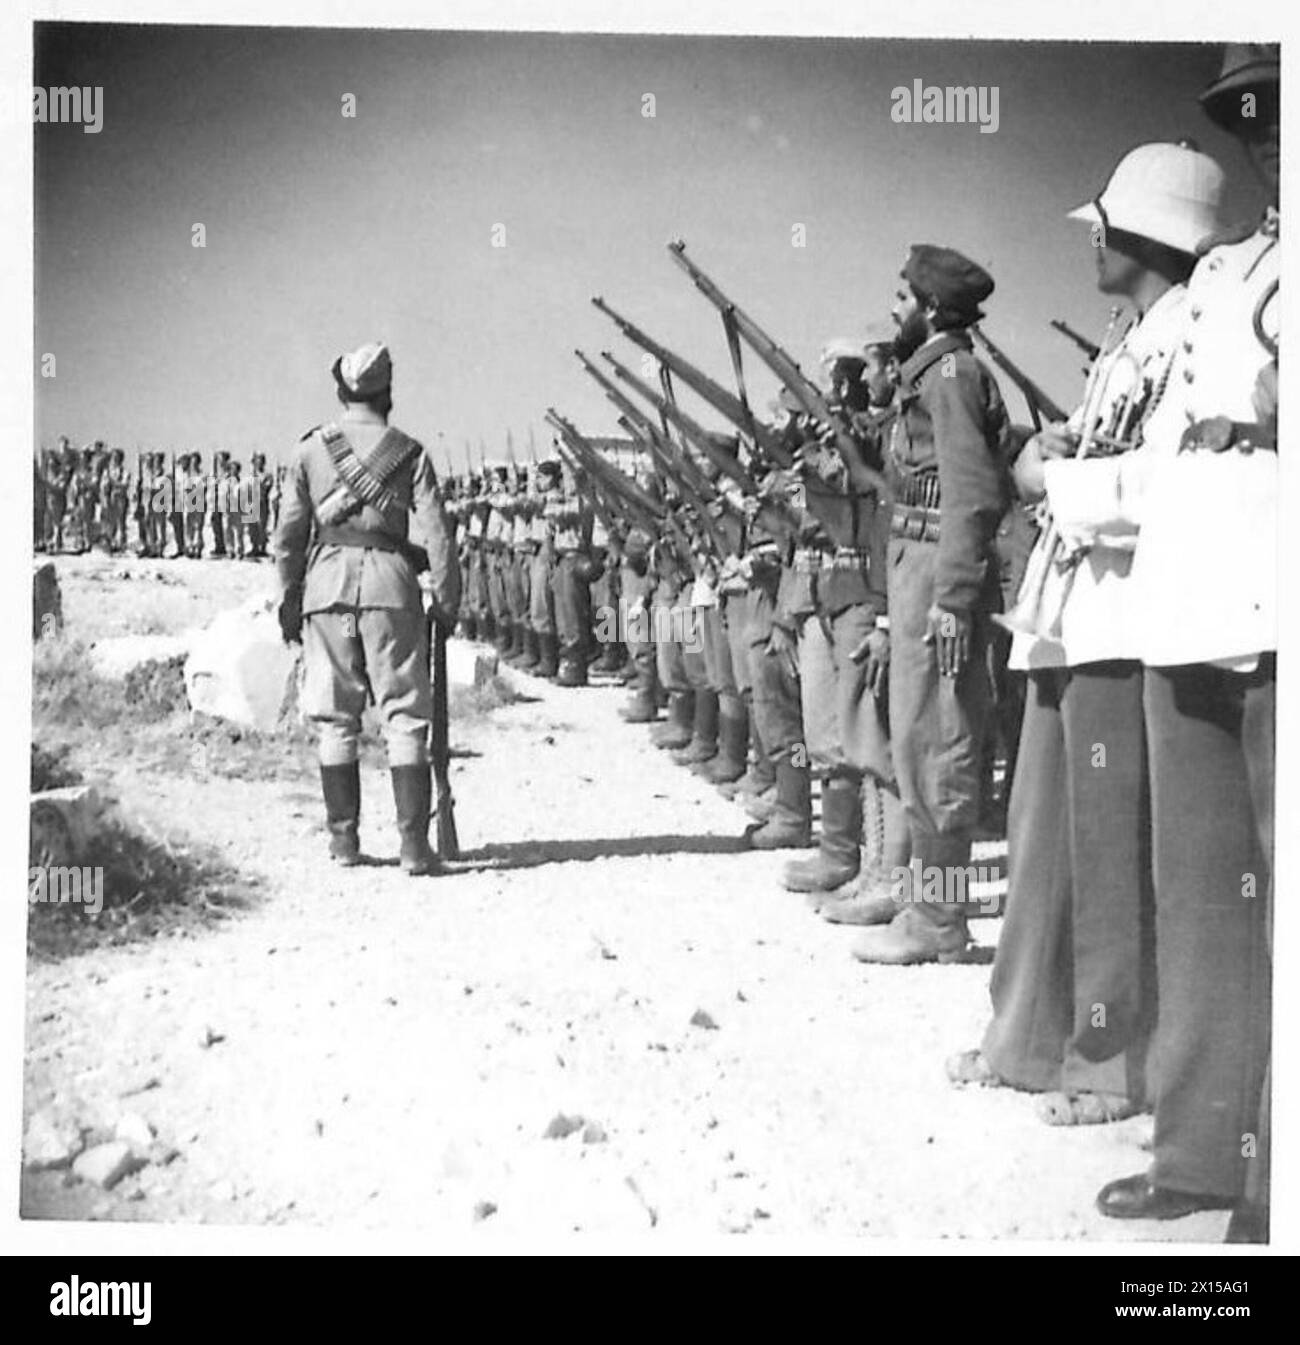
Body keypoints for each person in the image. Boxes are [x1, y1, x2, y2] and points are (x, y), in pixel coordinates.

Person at [1042, 45, 1276, 1234]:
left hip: (1271, 610)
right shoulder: (1234, 272)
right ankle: (1200, 1155)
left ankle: (1274, 1185)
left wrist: (1077, 491)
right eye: (1258, 120)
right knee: (1201, 906)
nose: (1268, 138)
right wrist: (1078, 491)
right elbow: (1187, 452)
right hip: (1190, 606)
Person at [948, 141, 1227, 1131]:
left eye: (1106, 225)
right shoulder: (1130, 335)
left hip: (1121, 615)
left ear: (1148, 234)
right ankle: (1022, 1036)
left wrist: (1045, 479)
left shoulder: (1195, 333)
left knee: (1106, 857)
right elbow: (1099, 449)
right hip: (1068, 615)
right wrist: (1042, 449)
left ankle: (1106, 1064)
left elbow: (1163, 488)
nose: (1093, 240)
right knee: (1040, 844)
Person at [852, 245, 1011, 965]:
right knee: (918, 737)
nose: (894, 308)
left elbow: (973, 493)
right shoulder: (932, 376)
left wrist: (951, 598)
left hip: (937, 575)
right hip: (914, 563)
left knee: (941, 741)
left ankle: (941, 917)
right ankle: (926, 905)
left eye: (902, 295)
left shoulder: (949, 375)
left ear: (932, 308)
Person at [273, 341, 460, 875]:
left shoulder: (310, 449)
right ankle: (412, 847)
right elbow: (438, 535)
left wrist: (290, 596)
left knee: (335, 718)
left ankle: (343, 841)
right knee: (404, 716)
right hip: (392, 590)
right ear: (388, 393)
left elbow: (287, 536)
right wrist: (446, 601)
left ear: (341, 391)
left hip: (327, 592)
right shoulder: (410, 452)